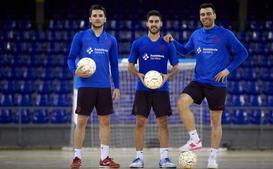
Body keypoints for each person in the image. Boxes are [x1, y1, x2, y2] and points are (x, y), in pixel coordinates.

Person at [164, 3, 248, 169]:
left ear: (214, 15)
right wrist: (172, 41)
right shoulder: (196, 34)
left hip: (217, 83)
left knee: (215, 122)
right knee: (182, 102)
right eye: (202, 14)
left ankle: (212, 158)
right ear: (200, 17)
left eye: (208, 14)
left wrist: (228, 70)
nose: (205, 17)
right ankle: (195, 140)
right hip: (199, 81)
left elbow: (243, 53)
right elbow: (184, 51)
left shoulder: (226, 34)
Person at [67, 4, 120, 169]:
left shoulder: (111, 40)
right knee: (81, 122)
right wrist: (75, 71)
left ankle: (104, 158)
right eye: (94, 15)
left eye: (100, 15)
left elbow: (114, 65)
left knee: (105, 122)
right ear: (90, 19)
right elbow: (70, 58)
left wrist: (116, 86)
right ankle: (77, 157)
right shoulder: (80, 36)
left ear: (105, 19)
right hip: (85, 86)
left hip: (104, 86)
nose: (97, 18)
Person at [128, 10, 179, 168]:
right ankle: (138, 158)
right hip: (142, 89)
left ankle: (164, 158)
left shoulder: (167, 44)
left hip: (161, 90)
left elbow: (176, 67)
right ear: (147, 24)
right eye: (151, 21)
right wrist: (138, 75)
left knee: (163, 123)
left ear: (161, 24)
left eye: (157, 21)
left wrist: (166, 77)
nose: (154, 24)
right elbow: (130, 66)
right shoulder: (138, 43)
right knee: (140, 123)